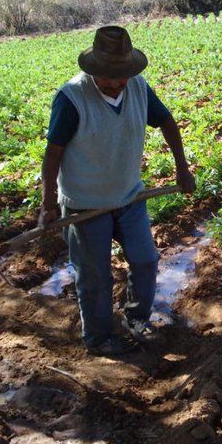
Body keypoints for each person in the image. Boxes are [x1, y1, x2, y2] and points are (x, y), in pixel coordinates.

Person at [39, 25, 195, 355]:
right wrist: (49, 202)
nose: (115, 82)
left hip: (129, 196)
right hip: (85, 204)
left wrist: (182, 168)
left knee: (145, 260)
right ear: (94, 70)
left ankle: (136, 318)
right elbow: (53, 153)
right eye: (108, 76)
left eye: (121, 75)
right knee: (95, 278)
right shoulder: (71, 99)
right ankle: (97, 338)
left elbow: (167, 122)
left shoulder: (137, 88)